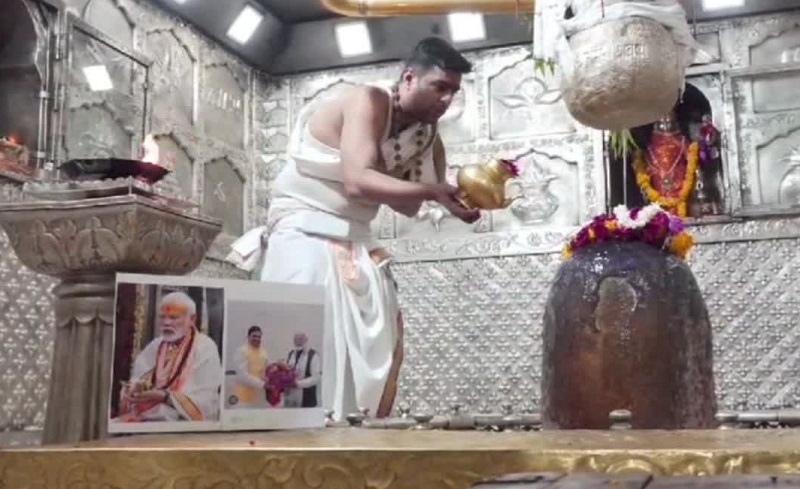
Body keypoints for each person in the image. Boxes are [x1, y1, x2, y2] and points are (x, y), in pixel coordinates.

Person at [227, 37, 480, 420]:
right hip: (304, 230)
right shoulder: (370, 99)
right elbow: (357, 182)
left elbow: (408, 206)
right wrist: (431, 190)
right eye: (439, 87)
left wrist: (448, 198)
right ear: (409, 79)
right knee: (310, 339)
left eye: (453, 92)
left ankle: (353, 434)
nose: (446, 100)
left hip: (357, 238)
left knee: (374, 343)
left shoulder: (427, 138)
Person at [114, 291, 223, 422]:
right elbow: (138, 378)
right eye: (162, 317)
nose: (166, 323)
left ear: (192, 319)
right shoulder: (156, 345)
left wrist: (165, 397)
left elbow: (206, 399)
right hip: (148, 415)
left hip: (182, 421)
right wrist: (134, 388)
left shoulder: (205, 347)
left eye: (173, 317)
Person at [231, 326, 270, 408]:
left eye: (259, 337)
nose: (257, 339)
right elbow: (242, 376)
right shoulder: (242, 351)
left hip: (259, 398)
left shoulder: (263, 352)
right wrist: (263, 384)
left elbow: (267, 369)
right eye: (254, 336)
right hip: (243, 399)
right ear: (248, 337)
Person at [284, 332, 322, 408]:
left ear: (306, 340)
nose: (298, 341)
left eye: (301, 339)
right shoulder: (291, 354)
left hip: (307, 398)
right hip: (292, 398)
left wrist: (298, 383)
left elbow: (316, 378)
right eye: (296, 339)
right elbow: (288, 371)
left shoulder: (313, 355)